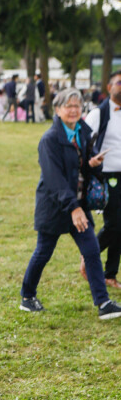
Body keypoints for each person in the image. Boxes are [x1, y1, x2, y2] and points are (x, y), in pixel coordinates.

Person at [20, 87, 121, 320]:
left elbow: (80, 168)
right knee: (43, 252)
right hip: (55, 206)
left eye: (77, 106)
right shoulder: (49, 140)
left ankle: (103, 302)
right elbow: (54, 179)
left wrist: (92, 164)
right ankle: (27, 296)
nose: (74, 110)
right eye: (69, 106)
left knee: (92, 251)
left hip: (78, 204)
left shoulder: (82, 132)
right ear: (57, 110)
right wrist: (73, 208)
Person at [83, 70, 121, 290]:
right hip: (107, 175)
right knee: (114, 224)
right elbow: (84, 139)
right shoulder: (99, 113)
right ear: (109, 87)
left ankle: (110, 274)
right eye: (119, 82)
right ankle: (88, 256)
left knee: (120, 227)